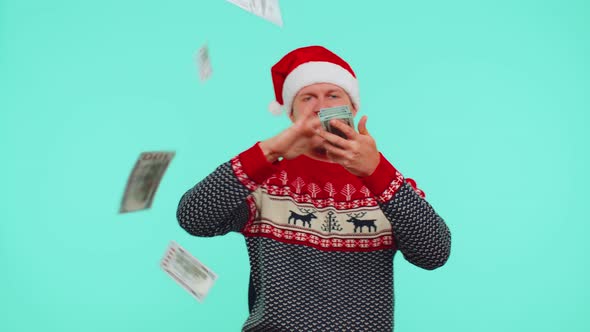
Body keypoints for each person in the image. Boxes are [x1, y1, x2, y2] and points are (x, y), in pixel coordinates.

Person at [177, 45, 451, 331]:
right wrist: (269, 152)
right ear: (291, 114)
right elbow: (194, 218)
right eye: (307, 97)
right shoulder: (263, 180)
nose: (320, 106)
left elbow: (434, 253)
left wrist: (376, 171)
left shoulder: (386, 184)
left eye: (333, 95)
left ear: (353, 109)